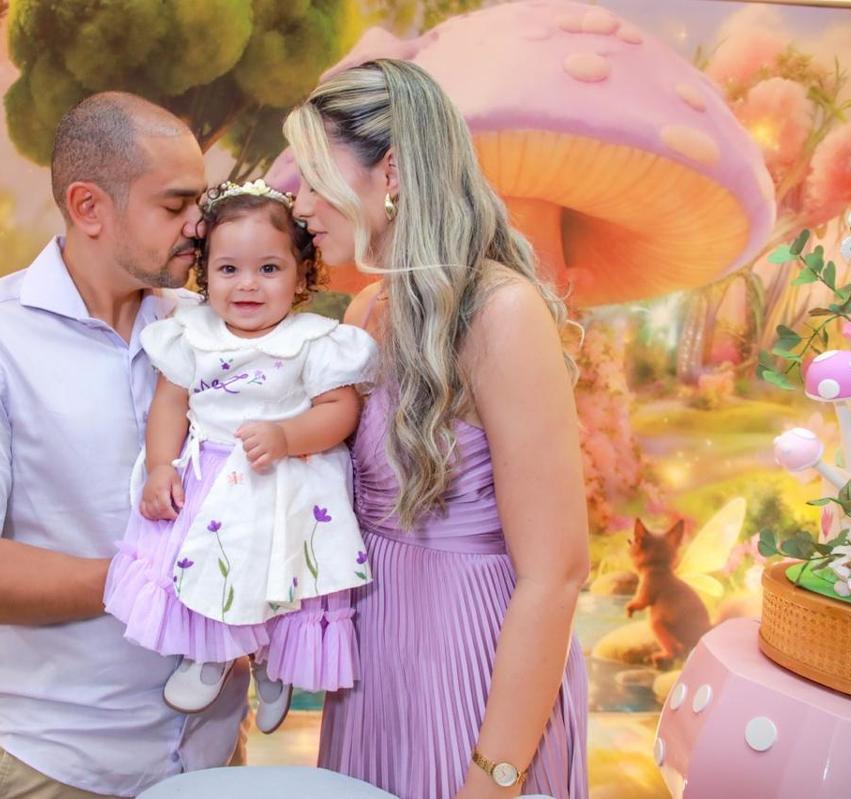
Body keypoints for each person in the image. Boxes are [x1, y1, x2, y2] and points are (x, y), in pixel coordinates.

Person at [0, 92, 248, 799]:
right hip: (57, 765)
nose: (199, 226)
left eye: (201, 203)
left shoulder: (212, 327)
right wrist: (147, 582)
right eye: (175, 205)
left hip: (214, 753)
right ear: (88, 207)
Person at [284, 59, 590, 798]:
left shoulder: (501, 313)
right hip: (376, 654)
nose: (301, 205)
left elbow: (556, 573)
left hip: (475, 663)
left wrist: (496, 775)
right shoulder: (368, 311)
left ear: (390, 171)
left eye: (315, 178)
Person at [104, 179, 377, 735]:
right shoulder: (192, 334)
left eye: (269, 269)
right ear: (206, 275)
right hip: (212, 473)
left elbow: (340, 410)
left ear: (302, 274)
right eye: (229, 269)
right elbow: (170, 404)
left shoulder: (314, 341)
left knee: (281, 570)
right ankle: (207, 653)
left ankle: (273, 660)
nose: (247, 284)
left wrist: (288, 435)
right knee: (209, 560)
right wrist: (160, 466)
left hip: (285, 478)